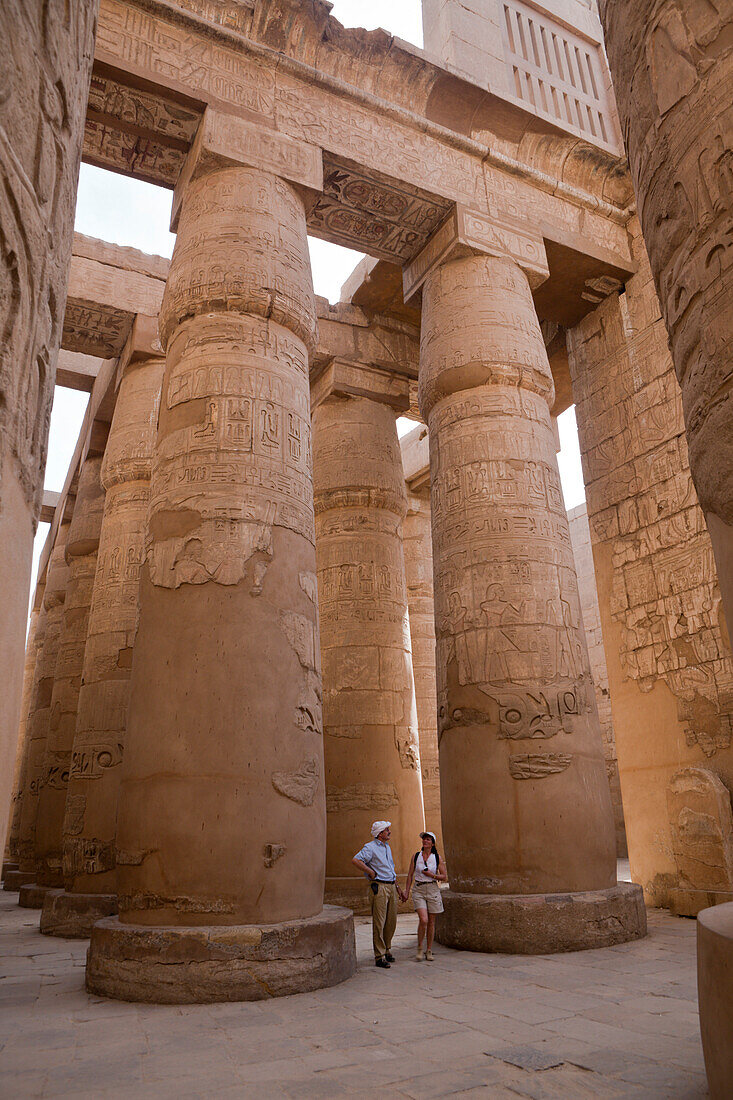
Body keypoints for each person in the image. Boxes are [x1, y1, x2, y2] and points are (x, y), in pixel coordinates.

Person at [353, 821, 405, 969]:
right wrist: (370, 872)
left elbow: (390, 870)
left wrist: (398, 888)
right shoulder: (370, 847)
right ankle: (379, 956)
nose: (389, 832)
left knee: (391, 921)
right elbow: (356, 860)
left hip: (390, 886)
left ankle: (387, 949)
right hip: (380, 887)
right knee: (379, 922)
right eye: (386, 830)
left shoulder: (387, 847)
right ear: (380, 833)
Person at [403, 830, 447, 961]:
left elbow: (444, 876)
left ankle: (429, 950)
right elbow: (410, 874)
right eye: (424, 839)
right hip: (419, 889)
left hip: (432, 889)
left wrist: (432, 875)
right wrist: (406, 891)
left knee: (431, 922)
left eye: (428, 839)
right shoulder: (416, 856)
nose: (425, 841)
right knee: (424, 920)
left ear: (432, 843)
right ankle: (419, 948)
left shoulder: (437, 857)